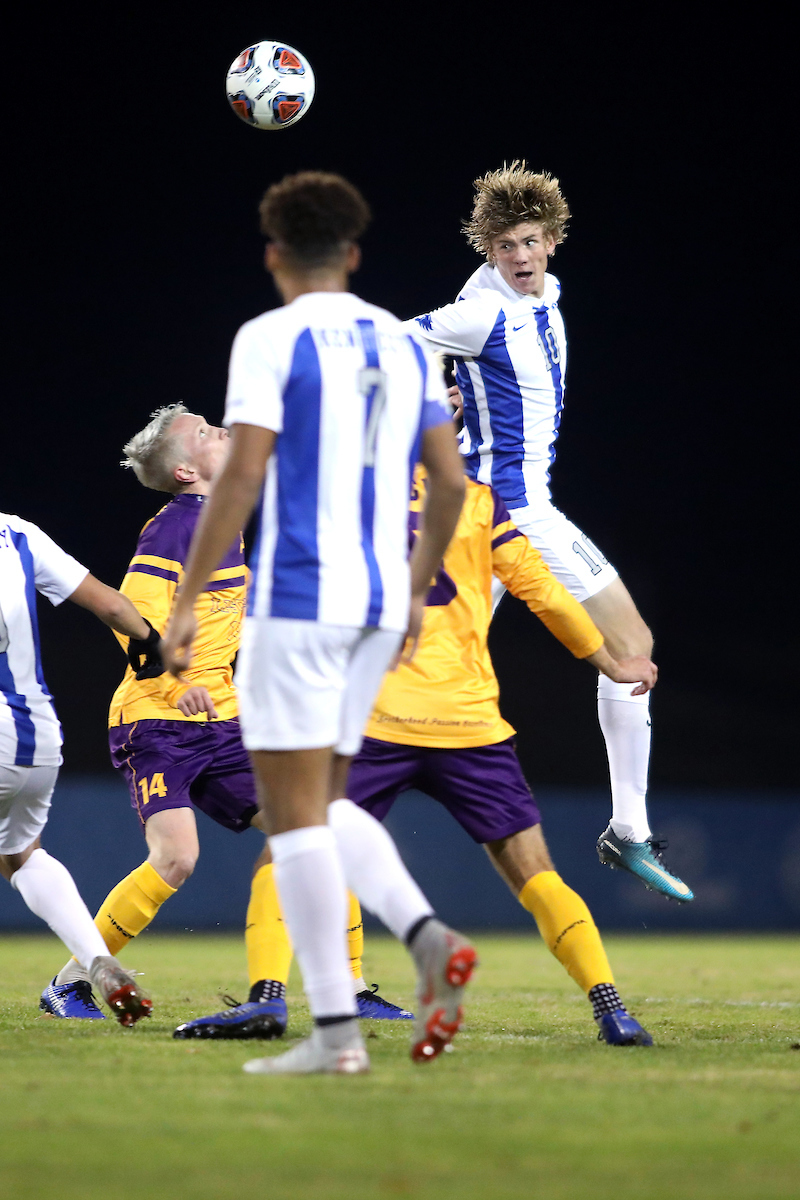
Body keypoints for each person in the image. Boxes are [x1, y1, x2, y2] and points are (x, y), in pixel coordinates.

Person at [162, 170, 474, 1076]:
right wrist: (416, 591)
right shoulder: (400, 339)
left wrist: (185, 605)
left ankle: (353, 1017)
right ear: (355, 253)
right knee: (323, 803)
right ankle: (395, 970)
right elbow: (450, 483)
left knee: (292, 818)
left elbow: (244, 475)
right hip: (379, 604)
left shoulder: (269, 337)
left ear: (273, 256)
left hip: (298, 600)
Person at [42, 404, 409, 1033]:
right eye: (205, 431)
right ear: (185, 470)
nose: (220, 430)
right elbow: (128, 614)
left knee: (314, 831)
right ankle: (69, 984)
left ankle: (347, 986)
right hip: (155, 718)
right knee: (177, 859)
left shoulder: (222, 512)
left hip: (222, 719)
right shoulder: (175, 527)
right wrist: (176, 678)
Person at [404, 161, 692, 901]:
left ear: (554, 240)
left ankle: (628, 830)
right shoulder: (481, 311)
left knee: (633, 652)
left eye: (531, 241)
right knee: (409, 689)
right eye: (505, 246)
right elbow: (393, 343)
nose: (522, 257)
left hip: (529, 512)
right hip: (498, 518)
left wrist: (448, 392)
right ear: (488, 250)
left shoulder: (545, 294)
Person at [349, 467, 660, 1044]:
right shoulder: (476, 499)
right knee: (536, 874)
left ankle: (278, 996)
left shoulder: (346, 484)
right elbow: (542, 590)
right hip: (468, 719)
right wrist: (611, 664)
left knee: (303, 848)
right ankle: (611, 1009)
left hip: (377, 714)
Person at [1, 512, 151, 1025]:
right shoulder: (15, 531)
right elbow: (109, 603)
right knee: (21, 855)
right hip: (36, 732)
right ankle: (95, 960)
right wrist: (152, 643)